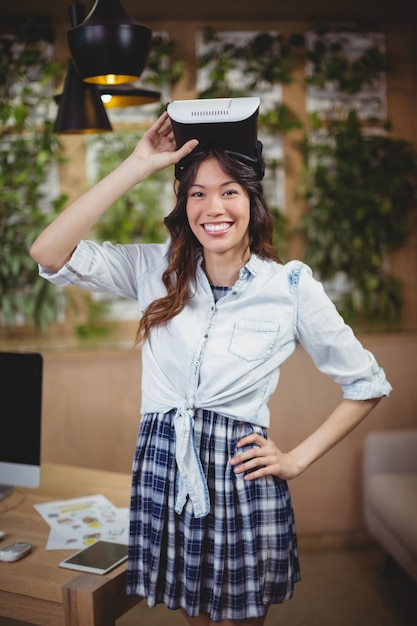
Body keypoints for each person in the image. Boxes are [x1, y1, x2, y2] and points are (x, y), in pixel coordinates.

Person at [30, 106, 392, 626]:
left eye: (228, 191)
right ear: (183, 205)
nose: (213, 206)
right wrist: (137, 165)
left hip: (239, 481)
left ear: (251, 200)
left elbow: (366, 383)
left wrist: (296, 460)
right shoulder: (152, 269)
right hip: (165, 472)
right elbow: (47, 251)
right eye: (197, 192)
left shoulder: (288, 287)